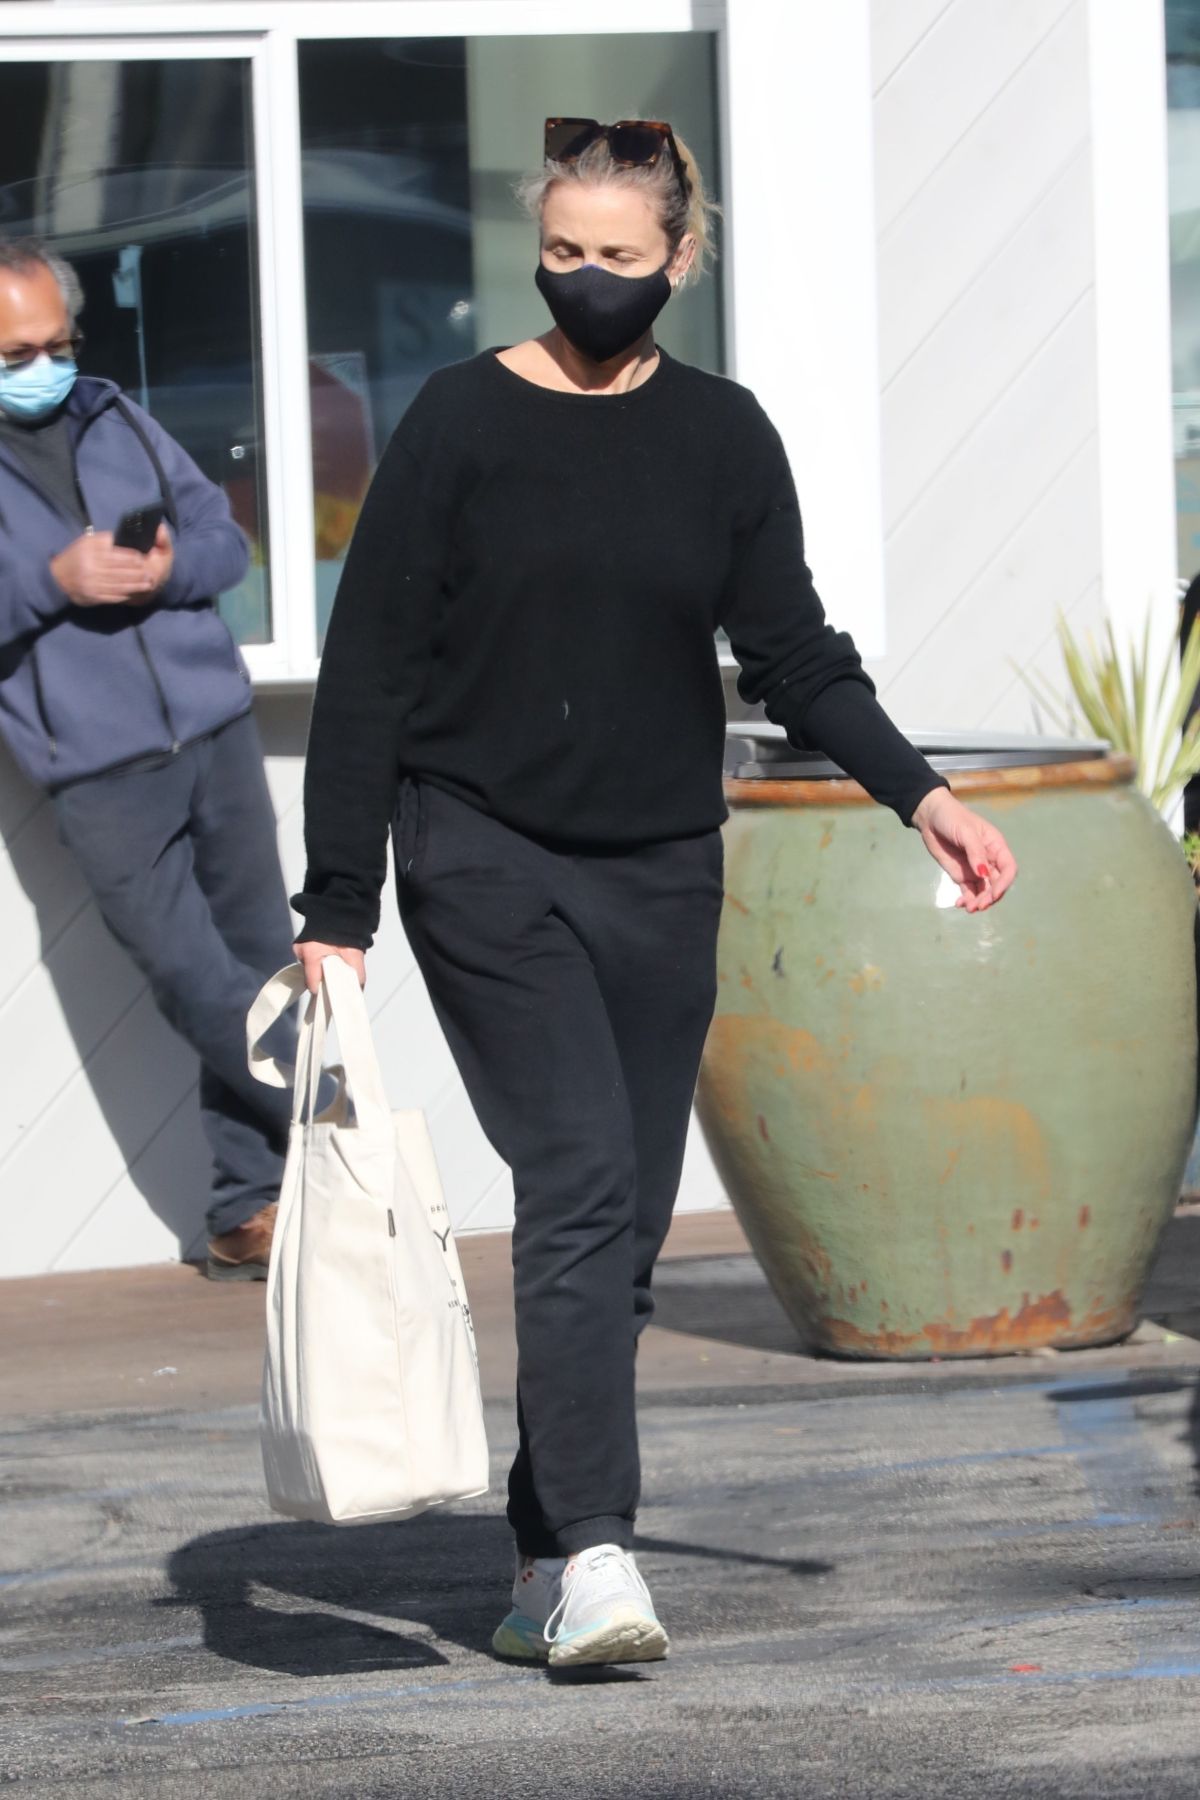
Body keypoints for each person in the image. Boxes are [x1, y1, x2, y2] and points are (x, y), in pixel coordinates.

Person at [294, 119, 1019, 1668]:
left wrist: (927, 796)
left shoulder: (723, 437)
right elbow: (367, 672)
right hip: (481, 850)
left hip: (662, 865)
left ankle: (540, 1553)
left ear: (681, 260)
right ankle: (600, 1552)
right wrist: (337, 905)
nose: (586, 278)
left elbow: (795, 656)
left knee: (618, 1228)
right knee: (576, 1178)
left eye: (619, 255)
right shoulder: (459, 421)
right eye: (563, 251)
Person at [0, 236, 296, 1280]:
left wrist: (171, 571)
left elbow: (225, 539)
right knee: (188, 973)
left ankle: (248, 1207)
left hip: (214, 726)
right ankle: (328, 1109)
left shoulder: (117, 414)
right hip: (97, 768)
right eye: (17, 354)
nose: (45, 367)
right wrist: (54, 580)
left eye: (59, 344)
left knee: (260, 959)